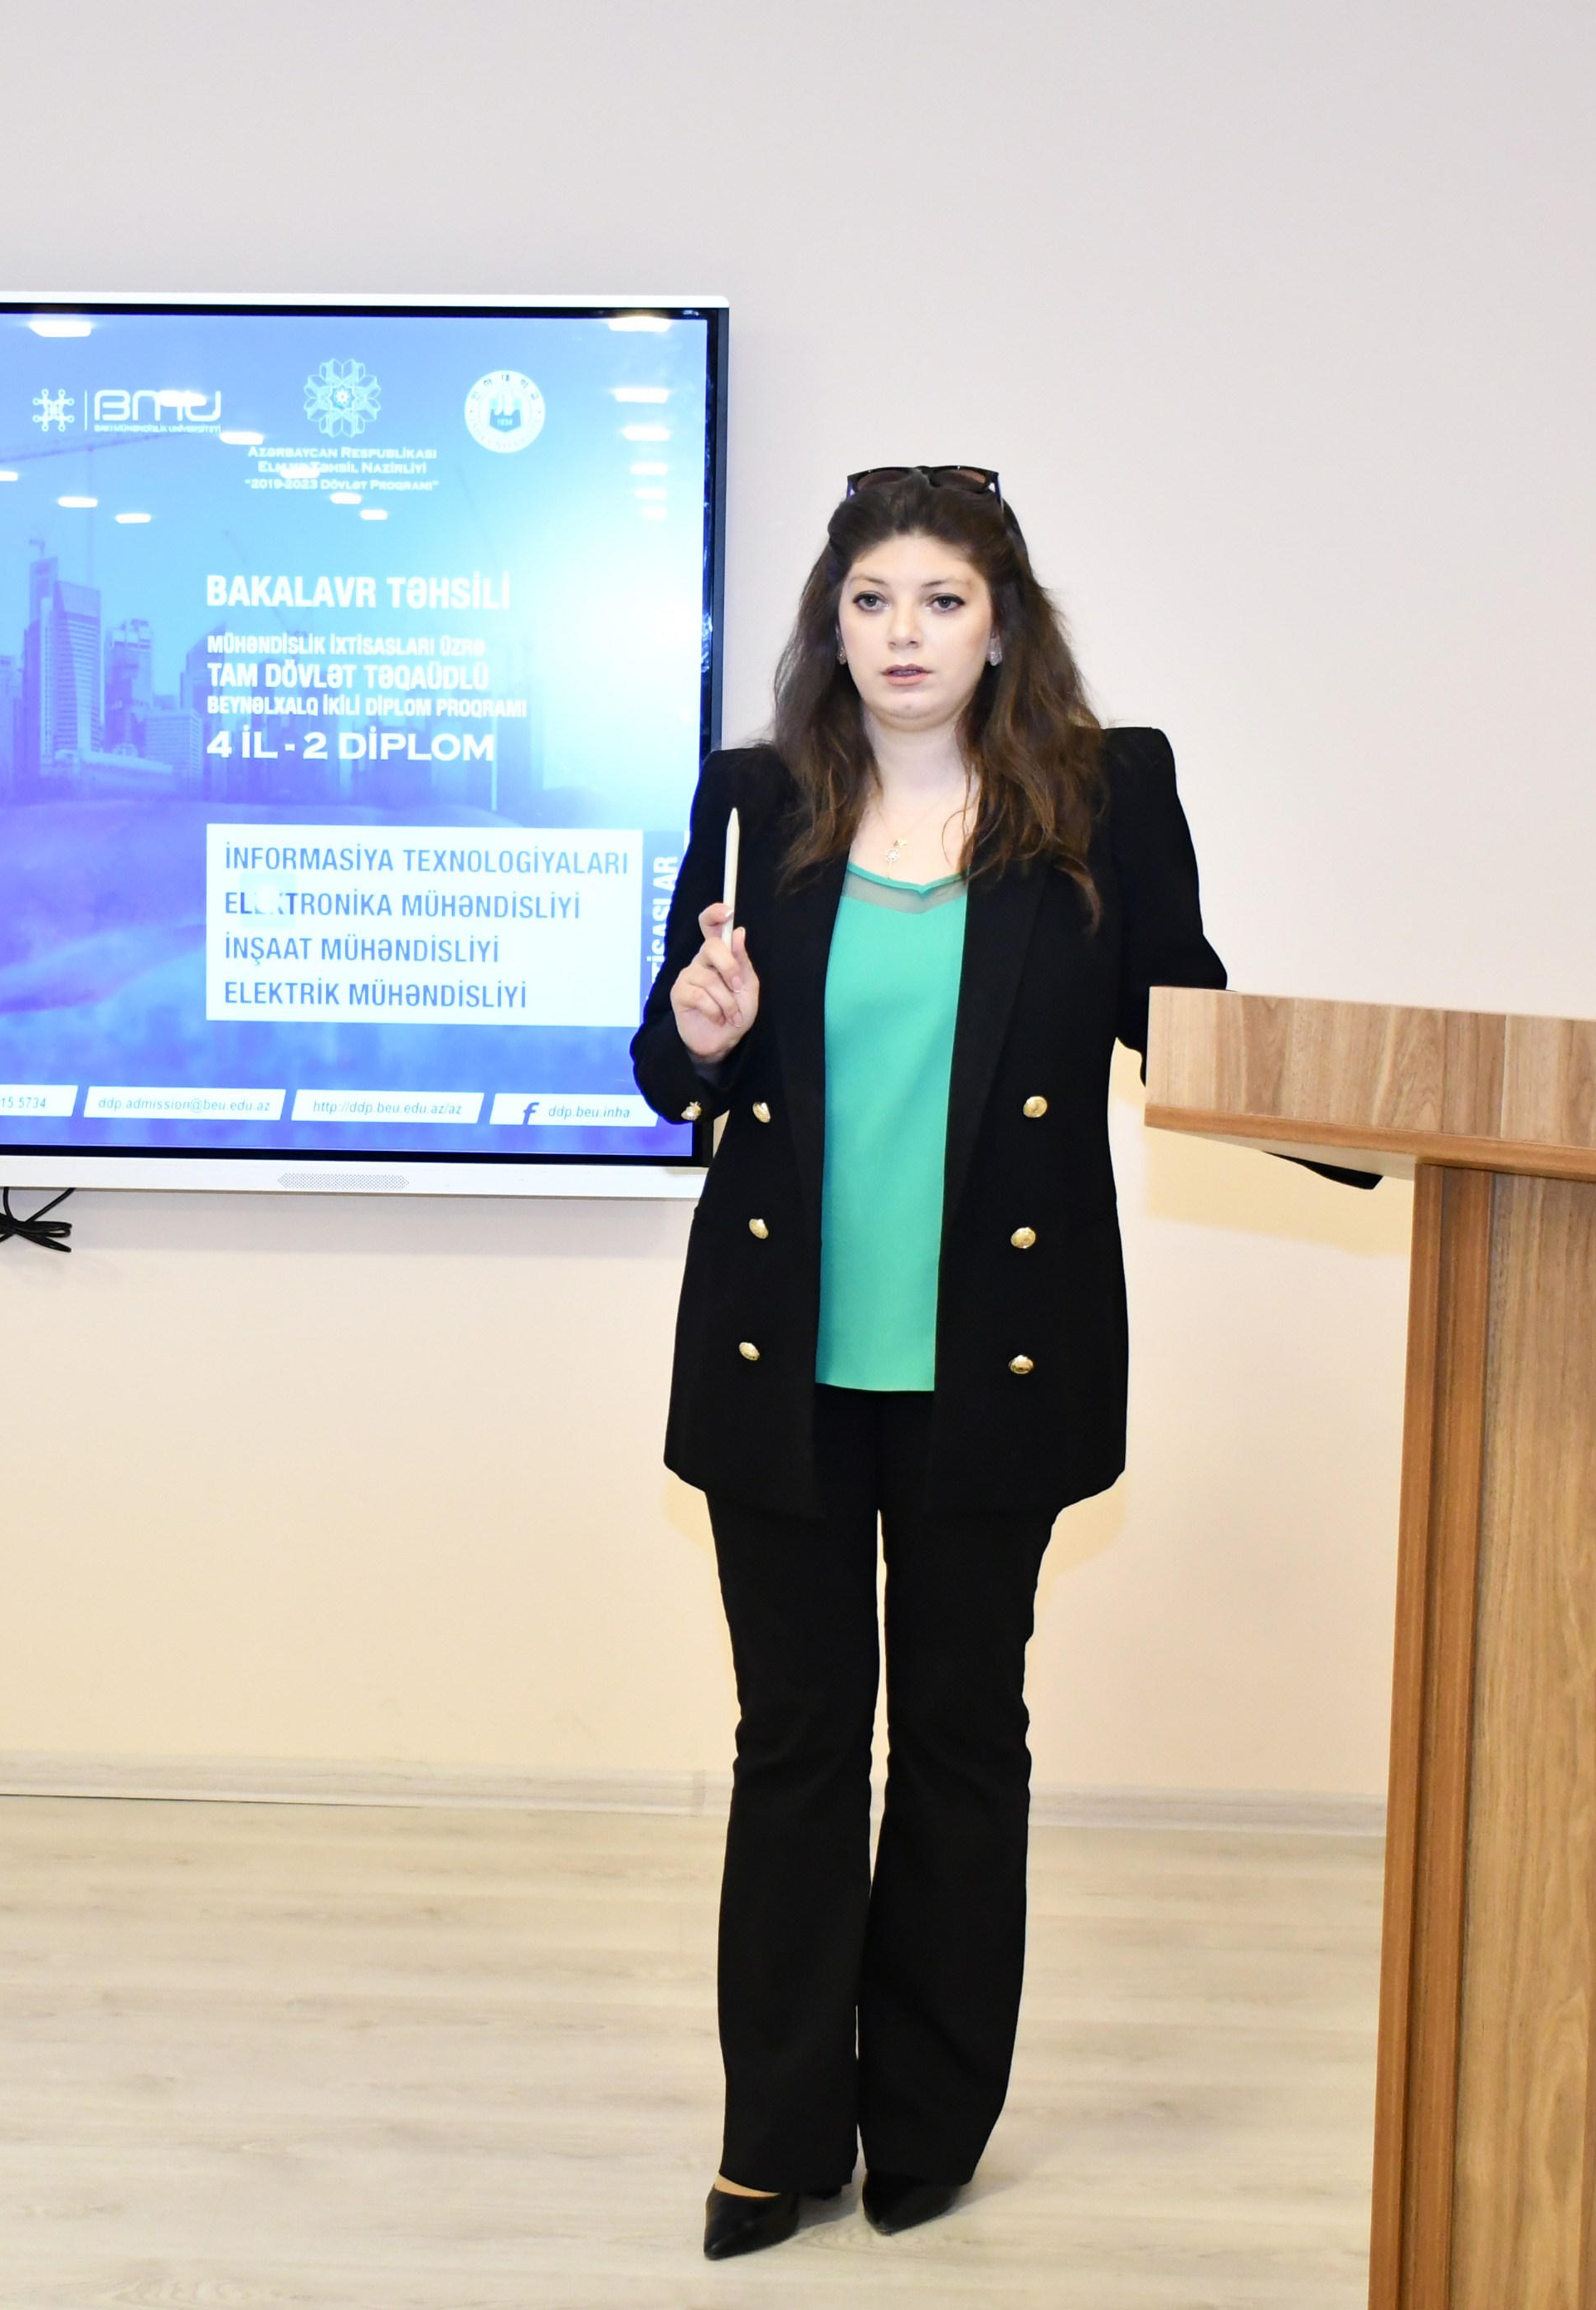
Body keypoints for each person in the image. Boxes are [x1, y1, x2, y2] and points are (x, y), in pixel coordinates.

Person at [632, 466, 1365, 2260]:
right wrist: (698, 1035)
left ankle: (929, 2123)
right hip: (783, 1364)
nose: (904, 634)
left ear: (1002, 624)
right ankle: (775, 2135)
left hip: (999, 1363)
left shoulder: (1106, 800)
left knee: (962, 1743)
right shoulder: (756, 805)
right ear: (834, 627)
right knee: (797, 1745)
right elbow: (674, 1068)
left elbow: (1189, 1018)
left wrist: (1394, 1132)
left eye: (941, 601)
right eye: (872, 601)